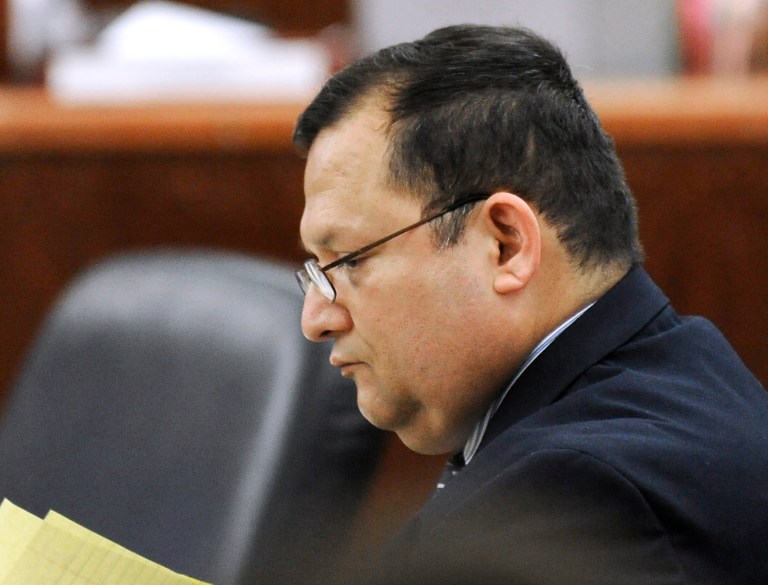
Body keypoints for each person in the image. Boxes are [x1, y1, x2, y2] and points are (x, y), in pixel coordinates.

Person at [292, 24, 768, 585]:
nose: (315, 320)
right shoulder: (679, 371)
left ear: (505, 245)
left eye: (347, 260)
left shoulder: (573, 494)